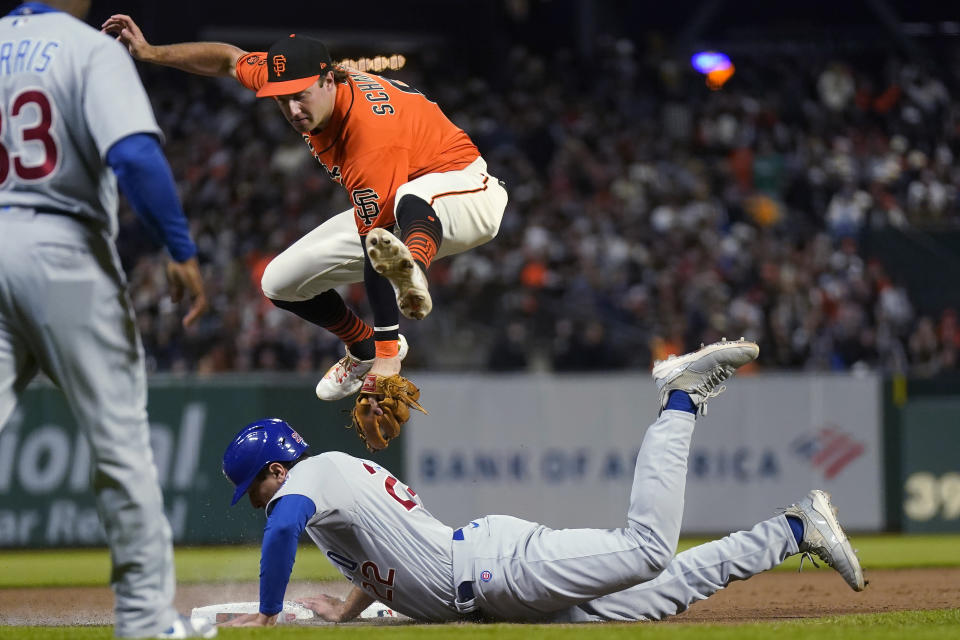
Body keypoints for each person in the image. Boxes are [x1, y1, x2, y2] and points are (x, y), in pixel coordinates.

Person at [218, 339, 865, 626]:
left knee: (648, 549)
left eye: (252, 486)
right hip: (494, 585)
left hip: (498, 574)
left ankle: (681, 396)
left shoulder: (308, 478)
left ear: (274, 470)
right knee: (667, 590)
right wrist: (352, 602)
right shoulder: (326, 485)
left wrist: (271, 613)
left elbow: (280, 524)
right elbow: (380, 550)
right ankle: (796, 528)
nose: (254, 500)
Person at [101, 15, 510, 402]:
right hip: (399, 206)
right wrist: (152, 52)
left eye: (300, 96)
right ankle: (360, 344)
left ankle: (411, 275)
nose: (293, 110)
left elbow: (378, 249)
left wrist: (388, 361)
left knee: (405, 208)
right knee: (279, 281)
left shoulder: (368, 137)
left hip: (468, 193)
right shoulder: (293, 79)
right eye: (282, 101)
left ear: (329, 80)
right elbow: (229, 59)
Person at [0, 2, 214, 638]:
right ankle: (147, 621)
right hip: (65, 249)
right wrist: (180, 247)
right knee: (120, 444)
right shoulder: (87, 47)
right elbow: (135, 157)